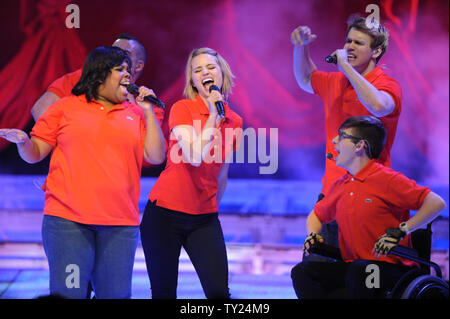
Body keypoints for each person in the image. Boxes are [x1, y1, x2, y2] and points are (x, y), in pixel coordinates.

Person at [0, 46, 166, 298]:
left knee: (116, 296)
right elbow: (35, 153)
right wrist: (23, 141)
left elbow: (155, 156)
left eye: (128, 70)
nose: (127, 75)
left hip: (119, 225)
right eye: (119, 69)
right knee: (69, 294)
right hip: (68, 223)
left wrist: (146, 111)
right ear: (99, 74)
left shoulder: (136, 114)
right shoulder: (65, 108)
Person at [290, 116, 446, 299]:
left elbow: (437, 203)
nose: (334, 140)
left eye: (341, 136)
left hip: (393, 270)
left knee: (361, 270)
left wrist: (403, 230)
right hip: (355, 268)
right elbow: (316, 215)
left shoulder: (387, 179)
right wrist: (313, 234)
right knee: (303, 272)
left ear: (359, 146)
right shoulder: (341, 185)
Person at [290, 14, 402, 249]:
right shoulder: (336, 82)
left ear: (376, 51)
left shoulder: (386, 84)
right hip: (332, 194)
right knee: (317, 272)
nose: (350, 46)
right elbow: (305, 78)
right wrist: (301, 48)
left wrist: (347, 69)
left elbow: (379, 106)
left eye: (358, 43)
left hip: (370, 197)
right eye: (348, 41)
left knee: (362, 275)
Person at [139, 47, 243, 299]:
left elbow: (222, 173)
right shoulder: (182, 109)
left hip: (203, 218)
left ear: (221, 73)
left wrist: (209, 207)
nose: (205, 72)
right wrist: (212, 117)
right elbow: (194, 156)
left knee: (219, 292)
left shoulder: (236, 121)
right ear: (194, 82)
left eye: (210, 67)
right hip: (165, 215)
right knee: (164, 293)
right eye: (198, 70)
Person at [30, 33, 148, 121]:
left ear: (138, 66)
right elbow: (41, 109)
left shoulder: (147, 103)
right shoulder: (83, 77)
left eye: (125, 53)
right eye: (113, 52)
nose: (116, 57)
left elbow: (151, 149)